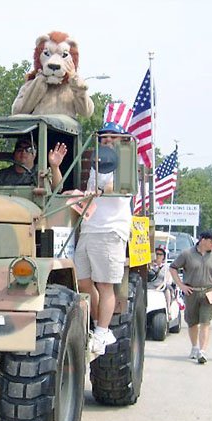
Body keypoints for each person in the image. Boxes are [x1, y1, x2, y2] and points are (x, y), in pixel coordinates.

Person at [74, 123, 133, 356]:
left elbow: (120, 187)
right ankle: (100, 324)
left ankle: (101, 331)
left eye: (112, 137)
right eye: (103, 137)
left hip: (110, 230)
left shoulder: (125, 162)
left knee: (105, 285)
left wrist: (99, 189)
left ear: (120, 140)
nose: (107, 140)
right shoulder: (96, 164)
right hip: (89, 228)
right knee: (83, 281)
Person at [169, 231, 212, 364]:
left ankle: (202, 351)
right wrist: (181, 285)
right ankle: (194, 347)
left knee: (205, 322)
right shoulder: (187, 254)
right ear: (203, 240)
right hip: (191, 292)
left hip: (208, 291)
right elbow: (173, 268)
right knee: (192, 322)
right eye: (211, 241)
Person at [0, 137, 67, 190]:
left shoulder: (41, 173)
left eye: (28, 150)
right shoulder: (2, 175)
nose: (23, 152)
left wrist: (55, 167)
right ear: (14, 153)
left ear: (34, 154)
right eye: (19, 150)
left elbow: (57, 188)